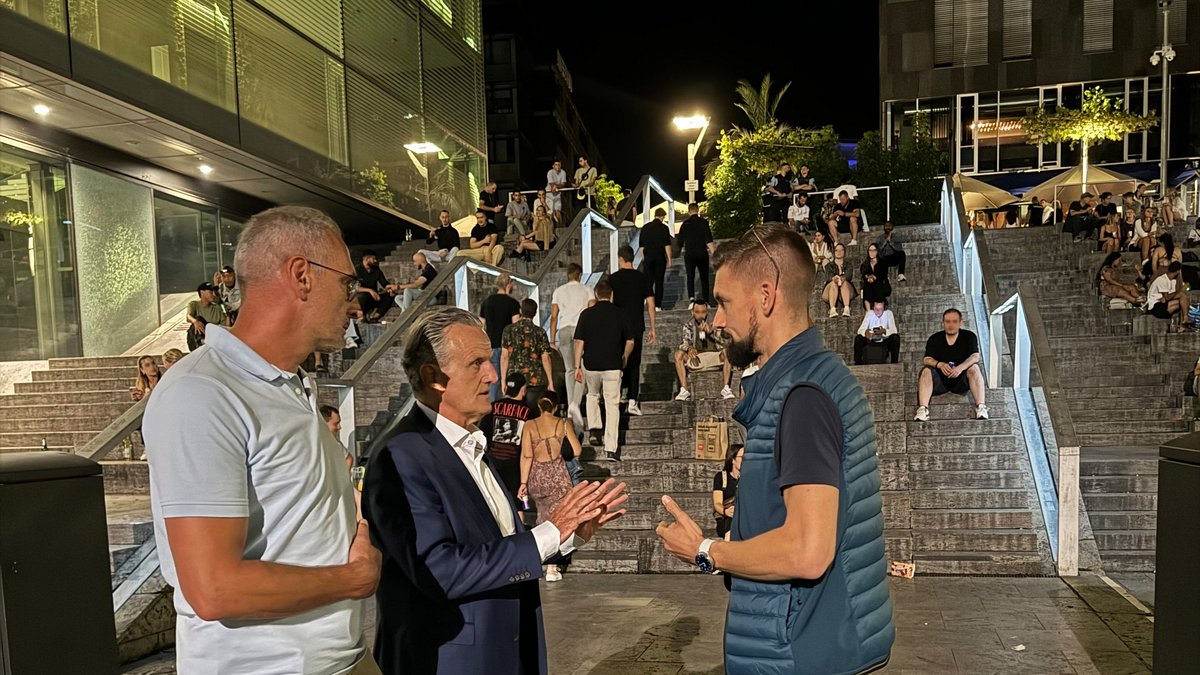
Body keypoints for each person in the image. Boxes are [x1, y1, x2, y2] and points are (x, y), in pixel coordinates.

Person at [144, 206, 382, 674]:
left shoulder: (286, 385)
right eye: (347, 284)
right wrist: (353, 579)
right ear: (301, 275)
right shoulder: (203, 392)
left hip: (342, 660)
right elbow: (215, 589)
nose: (355, 303)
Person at [655, 223, 894, 674]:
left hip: (798, 654)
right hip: (812, 645)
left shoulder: (802, 397)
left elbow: (808, 550)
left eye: (724, 302)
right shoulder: (810, 381)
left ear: (766, 296)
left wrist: (705, 551)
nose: (718, 320)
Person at [362, 307, 628, 674]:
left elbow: (497, 543)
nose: (493, 374)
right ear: (433, 376)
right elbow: (439, 569)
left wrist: (569, 537)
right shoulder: (402, 454)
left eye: (490, 361)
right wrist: (551, 532)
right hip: (449, 662)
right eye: (477, 363)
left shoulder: (469, 444)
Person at [518, 391, 583, 582]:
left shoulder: (529, 425)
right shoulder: (563, 423)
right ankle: (553, 567)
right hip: (558, 474)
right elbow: (577, 450)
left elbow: (526, 455)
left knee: (543, 517)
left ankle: (544, 562)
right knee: (558, 518)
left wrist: (522, 483)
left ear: (539, 406)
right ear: (555, 406)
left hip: (538, 476)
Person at [573, 280, 633, 461]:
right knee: (612, 405)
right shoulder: (620, 314)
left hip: (591, 365)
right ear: (611, 294)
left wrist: (577, 366)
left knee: (592, 396)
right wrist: (624, 357)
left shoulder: (586, 314)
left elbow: (579, 342)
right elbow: (630, 340)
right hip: (613, 365)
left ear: (597, 294)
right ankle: (611, 448)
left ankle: (595, 428)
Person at [914, 308, 988, 421]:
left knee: (974, 367)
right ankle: (923, 409)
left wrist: (960, 367)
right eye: (948, 321)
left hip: (961, 380)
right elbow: (927, 359)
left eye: (954, 321)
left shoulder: (969, 336)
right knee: (926, 370)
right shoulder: (935, 338)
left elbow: (975, 357)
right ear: (943, 322)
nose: (951, 325)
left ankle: (981, 407)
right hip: (940, 380)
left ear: (960, 322)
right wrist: (939, 364)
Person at [607, 245, 656, 416]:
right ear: (632, 258)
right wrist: (653, 327)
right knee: (635, 363)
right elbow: (650, 304)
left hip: (617, 327)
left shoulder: (612, 279)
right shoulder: (643, 279)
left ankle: (618, 396)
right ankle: (633, 401)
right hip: (636, 325)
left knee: (618, 361)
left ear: (620, 258)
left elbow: (610, 303)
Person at [480, 373, 539, 505]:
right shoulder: (529, 411)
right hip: (518, 464)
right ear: (523, 389)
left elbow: (483, 432)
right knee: (520, 504)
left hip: (494, 463)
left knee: (496, 501)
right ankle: (522, 523)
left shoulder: (493, 406)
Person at [549, 263, 595, 427]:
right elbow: (592, 309)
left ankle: (570, 405)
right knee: (580, 368)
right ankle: (576, 403)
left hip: (563, 330)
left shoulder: (558, 291)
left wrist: (552, 339)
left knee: (569, 369)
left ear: (568, 275)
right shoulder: (587, 289)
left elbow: (554, 317)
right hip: (580, 329)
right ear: (579, 275)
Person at [673, 302, 734, 401]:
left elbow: (725, 342)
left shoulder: (715, 323)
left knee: (728, 352)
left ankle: (726, 388)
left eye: (703, 312)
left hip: (715, 356)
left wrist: (711, 332)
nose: (700, 315)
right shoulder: (688, 325)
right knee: (678, 354)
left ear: (707, 312)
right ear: (692, 313)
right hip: (697, 358)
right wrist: (689, 348)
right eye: (697, 312)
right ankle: (684, 389)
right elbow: (685, 341)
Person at [501, 298, 555, 407]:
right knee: (532, 415)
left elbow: (504, 357)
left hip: (514, 379)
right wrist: (550, 381)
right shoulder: (540, 332)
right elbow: (546, 358)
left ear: (520, 311)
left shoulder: (508, 330)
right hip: (535, 380)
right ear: (535, 313)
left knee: (515, 413)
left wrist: (503, 380)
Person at [480, 274, 521, 401]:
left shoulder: (487, 302)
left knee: (493, 380)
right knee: (506, 379)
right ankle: (503, 408)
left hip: (490, 346)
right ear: (509, 284)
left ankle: (491, 408)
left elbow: (480, 324)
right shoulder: (513, 303)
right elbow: (516, 327)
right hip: (506, 347)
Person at [676, 202, 715, 304]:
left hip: (689, 254)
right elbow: (709, 240)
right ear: (698, 210)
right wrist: (714, 254)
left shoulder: (685, 224)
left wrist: (676, 253)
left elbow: (679, 242)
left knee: (690, 276)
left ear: (689, 212)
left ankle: (692, 299)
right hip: (702, 253)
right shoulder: (703, 222)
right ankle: (706, 300)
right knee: (704, 277)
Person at [639, 207, 673, 309]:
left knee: (648, 282)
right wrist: (669, 260)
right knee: (659, 282)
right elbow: (667, 245)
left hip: (648, 257)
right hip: (659, 258)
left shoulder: (645, 228)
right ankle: (658, 305)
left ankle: (648, 302)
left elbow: (641, 247)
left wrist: (643, 258)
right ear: (662, 216)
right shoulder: (664, 228)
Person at [1146, 262, 1192, 330]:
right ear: (1178, 271)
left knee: (1184, 301)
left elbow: (1172, 296)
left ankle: (1183, 324)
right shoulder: (1162, 279)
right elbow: (1167, 297)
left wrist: (1181, 290)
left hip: (1164, 304)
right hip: (1156, 307)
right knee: (1182, 296)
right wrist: (1180, 291)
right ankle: (1185, 319)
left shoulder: (1172, 281)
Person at [354, 250, 397, 323]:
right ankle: (361, 317)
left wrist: (390, 289)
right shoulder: (357, 270)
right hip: (363, 298)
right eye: (373, 259)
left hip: (374, 297)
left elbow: (384, 283)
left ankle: (374, 317)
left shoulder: (376, 269)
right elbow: (354, 287)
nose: (375, 261)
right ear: (366, 259)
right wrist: (370, 290)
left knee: (390, 295)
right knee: (362, 296)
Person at [854, 300, 901, 364]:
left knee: (895, 338)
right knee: (858, 338)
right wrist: (866, 332)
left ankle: (894, 362)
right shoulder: (869, 313)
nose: (878, 311)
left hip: (884, 340)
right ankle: (858, 362)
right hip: (871, 339)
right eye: (876, 309)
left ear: (884, 308)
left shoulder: (888, 313)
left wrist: (884, 331)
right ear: (873, 308)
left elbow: (894, 330)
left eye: (880, 309)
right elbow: (860, 330)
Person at [711, 444, 743, 539]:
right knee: (732, 519)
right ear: (733, 460)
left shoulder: (749, 477)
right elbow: (717, 503)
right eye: (742, 457)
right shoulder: (721, 477)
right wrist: (726, 511)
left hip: (744, 517)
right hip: (727, 519)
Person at [186, 282, 228, 350]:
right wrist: (195, 321)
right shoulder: (194, 304)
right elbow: (189, 316)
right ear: (202, 293)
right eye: (210, 292)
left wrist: (227, 314)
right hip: (199, 338)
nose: (213, 295)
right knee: (198, 319)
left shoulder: (217, 307)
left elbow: (225, 326)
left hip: (214, 338)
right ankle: (200, 345)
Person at [821, 242, 855, 318]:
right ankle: (832, 309)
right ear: (834, 252)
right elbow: (828, 277)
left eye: (841, 250)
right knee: (833, 283)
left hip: (845, 289)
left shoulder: (848, 265)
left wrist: (842, 278)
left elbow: (849, 276)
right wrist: (834, 278)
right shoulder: (828, 266)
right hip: (830, 289)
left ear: (844, 252)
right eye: (836, 250)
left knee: (844, 282)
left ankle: (846, 308)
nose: (839, 252)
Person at [319, 404, 354, 471]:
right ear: (323, 424)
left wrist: (343, 478)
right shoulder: (311, 444)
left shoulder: (336, 443)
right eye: (336, 424)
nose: (339, 427)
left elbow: (349, 459)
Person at [859, 243, 892, 311]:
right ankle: (868, 311)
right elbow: (864, 275)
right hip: (869, 285)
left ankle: (880, 307)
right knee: (866, 286)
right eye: (870, 250)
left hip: (882, 284)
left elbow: (883, 275)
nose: (872, 252)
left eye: (874, 250)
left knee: (878, 284)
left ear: (877, 251)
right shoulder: (865, 265)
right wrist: (868, 278)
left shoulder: (883, 263)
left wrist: (874, 277)